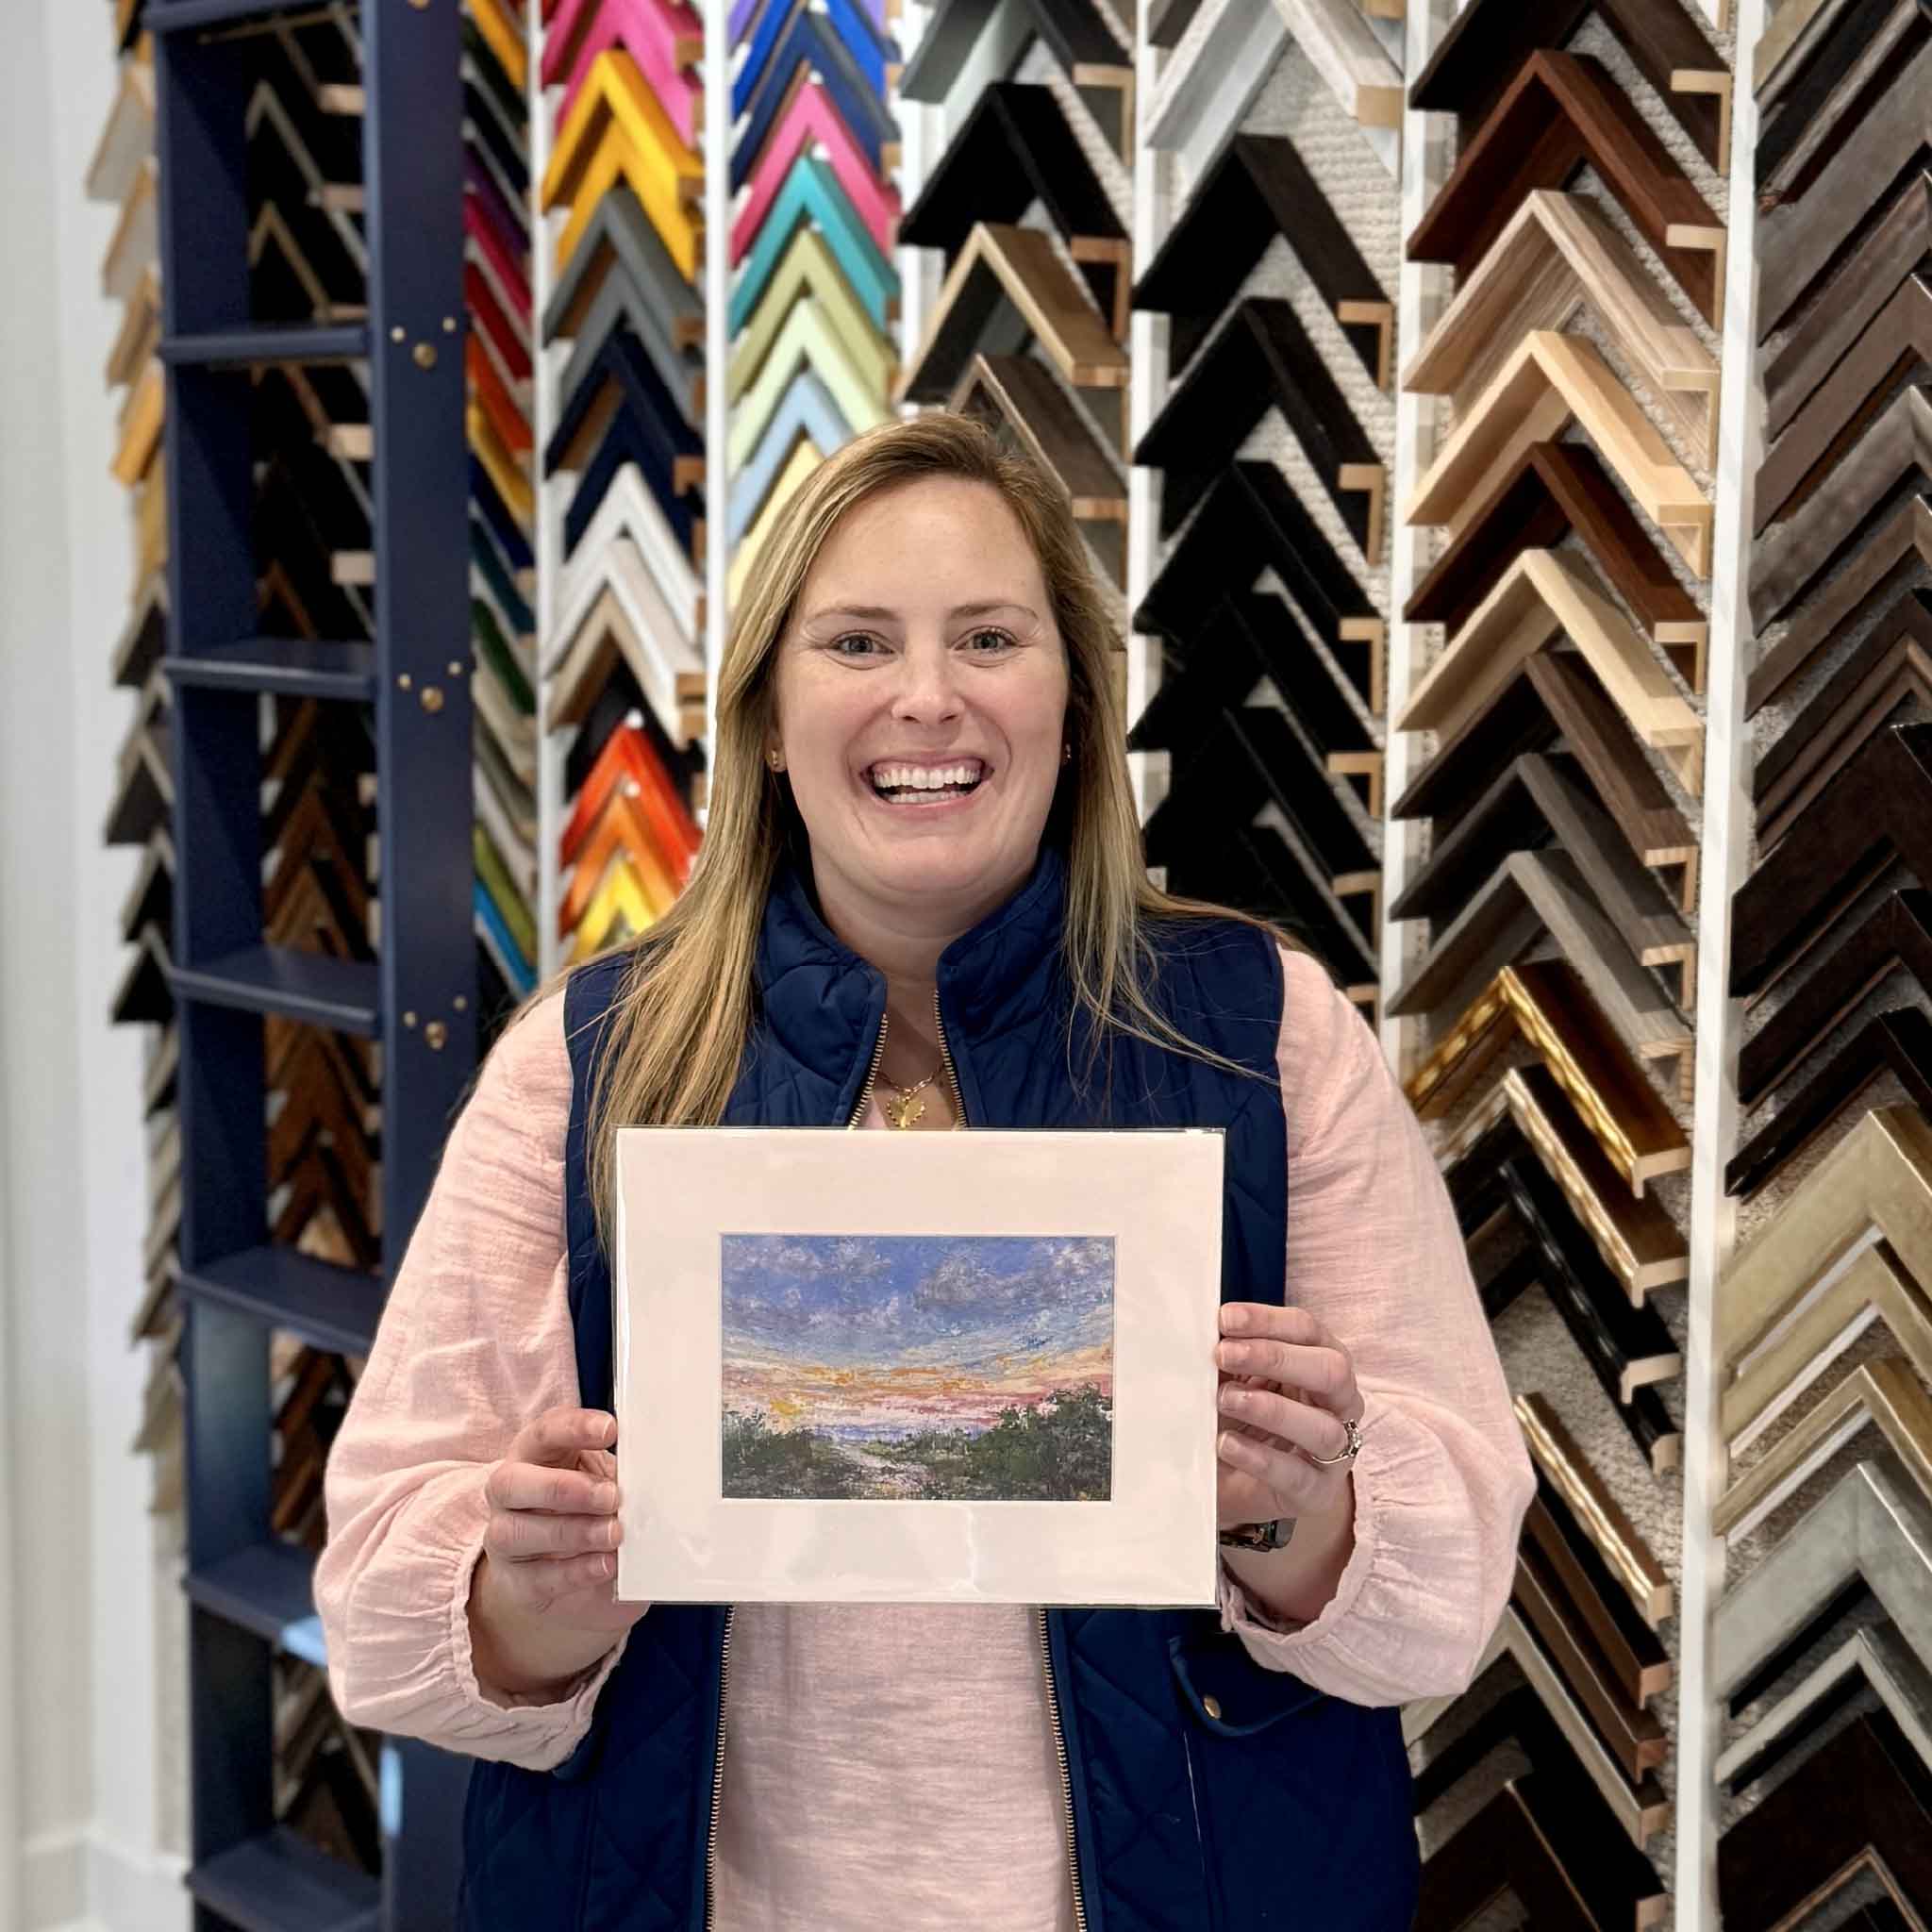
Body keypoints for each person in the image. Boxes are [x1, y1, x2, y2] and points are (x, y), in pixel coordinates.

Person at [315, 413, 1535, 1931]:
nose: (928, 697)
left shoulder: (1268, 1039)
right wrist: (530, 1600)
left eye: (988, 636)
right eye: (855, 642)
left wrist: (1299, 1516)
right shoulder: (582, 1064)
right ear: (764, 713)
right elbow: (375, 1609)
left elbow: (1449, 1604)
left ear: (1076, 706)